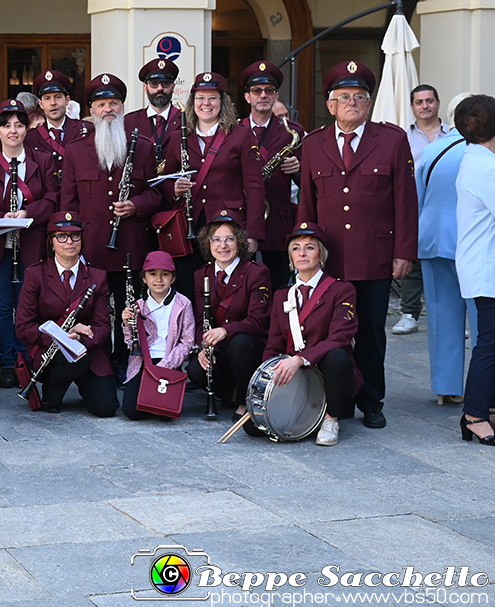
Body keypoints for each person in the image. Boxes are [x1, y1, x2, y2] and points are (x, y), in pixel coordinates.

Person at [297, 60, 417, 430]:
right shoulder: (313, 143)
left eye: (360, 97)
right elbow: (306, 203)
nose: (353, 103)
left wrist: (404, 252)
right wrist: (304, 255)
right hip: (328, 258)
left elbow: (406, 201)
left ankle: (371, 400)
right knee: (327, 332)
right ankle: (337, 398)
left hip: (374, 256)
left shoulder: (392, 139)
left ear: (369, 104)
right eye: (344, 97)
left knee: (369, 332)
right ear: (330, 105)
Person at [59, 73, 163, 379]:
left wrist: (136, 205)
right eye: (102, 104)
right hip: (92, 248)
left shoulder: (142, 147)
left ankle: (126, 360)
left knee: (129, 308)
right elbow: (69, 205)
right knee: (97, 311)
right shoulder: (76, 150)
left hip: (131, 245)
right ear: (91, 110)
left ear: (122, 107)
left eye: (114, 103)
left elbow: (157, 193)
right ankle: (99, 362)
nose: (109, 110)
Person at [0, 99, 59, 388]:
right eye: (7, 126)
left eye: (19, 125)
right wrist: (1, 216)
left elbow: (51, 199)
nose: (13, 131)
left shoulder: (42, 161)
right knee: (0, 306)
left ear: (27, 129)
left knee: (27, 306)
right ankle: (8, 363)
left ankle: (27, 359)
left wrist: (26, 213)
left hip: (30, 245)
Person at [262, 222, 362, 446]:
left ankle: (331, 418)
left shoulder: (341, 290)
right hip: (297, 378)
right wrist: (268, 377)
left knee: (337, 355)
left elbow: (340, 337)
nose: (302, 253)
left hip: (332, 375)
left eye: (309, 247)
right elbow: (274, 344)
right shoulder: (282, 296)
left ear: (321, 255)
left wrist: (299, 359)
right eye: (296, 248)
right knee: (255, 429)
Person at [171, 72, 266, 296]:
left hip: (228, 226)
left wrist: (252, 234)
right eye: (200, 98)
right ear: (192, 102)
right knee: (188, 285)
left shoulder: (241, 135)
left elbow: (255, 187)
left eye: (212, 98)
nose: (206, 103)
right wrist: (174, 188)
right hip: (188, 227)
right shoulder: (179, 137)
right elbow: (165, 180)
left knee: (227, 289)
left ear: (222, 103)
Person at [15, 212, 118, 416]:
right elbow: (23, 326)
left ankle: (71, 383)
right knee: (70, 360)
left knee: (106, 408)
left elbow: (103, 326)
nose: (69, 241)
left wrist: (80, 337)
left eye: (75, 235)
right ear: (51, 242)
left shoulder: (97, 275)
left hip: (87, 350)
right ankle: (53, 393)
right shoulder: (35, 274)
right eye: (61, 236)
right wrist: (63, 334)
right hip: (49, 351)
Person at [184, 211, 271, 422]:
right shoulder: (201, 275)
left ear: (239, 242)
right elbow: (199, 320)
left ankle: (245, 399)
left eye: (229, 239)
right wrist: (203, 347)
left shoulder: (256, 272)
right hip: (220, 347)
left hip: (248, 345)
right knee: (196, 369)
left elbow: (258, 321)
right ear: (208, 243)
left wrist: (225, 330)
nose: (222, 245)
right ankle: (229, 393)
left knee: (239, 344)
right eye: (216, 239)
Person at [416, 101, 472, 406]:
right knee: (484, 322)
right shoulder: (483, 152)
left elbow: (419, 198)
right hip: (472, 245)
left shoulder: (433, 150)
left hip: (433, 239)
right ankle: (484, 388)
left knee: (441, 314)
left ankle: (446, 387)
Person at [452, 94, 495, 446]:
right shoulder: (487, 167)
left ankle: (490, 408)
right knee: (490, 345)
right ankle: (475, 416)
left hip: (483, 265)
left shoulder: (477, 159)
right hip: (488, 268)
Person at [238, 61, 303, 293]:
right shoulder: (233, 131)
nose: (263, 95)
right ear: (247, 97)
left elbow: (308, 184)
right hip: (242, 219)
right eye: (257, 91)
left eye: (269, 91)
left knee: (278, 287)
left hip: (278, 220)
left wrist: (298, 169)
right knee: (243, 285)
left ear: (276, 96)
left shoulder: (293, 132)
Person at [394, 84, 450, 336]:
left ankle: (452, 316)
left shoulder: (454, 136)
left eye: (429, 100)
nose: (425, 106)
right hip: (413, 205)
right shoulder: (402, 138)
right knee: (411, 260)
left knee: (449, 260)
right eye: (419, 102)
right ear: (412, 106)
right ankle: (409, 313)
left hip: (445, 206)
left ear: (438, 103)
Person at [120, 250, 195, 420]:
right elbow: (131, 344)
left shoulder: (184, 303)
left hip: (169, 360)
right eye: (153, 274)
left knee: (165, 414)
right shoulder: (137, 306)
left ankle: (153, 401)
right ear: (145, 279)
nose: (159, 279)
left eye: (165, 274)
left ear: (173, 278)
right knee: (131, 412)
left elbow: (188, 341)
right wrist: (126, 324)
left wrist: (167, 364)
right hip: (142, 362)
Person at [124, 58, 182, 180]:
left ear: (173, 87)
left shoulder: (187, 120)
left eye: (165, 84)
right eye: (154, 84)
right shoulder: (129, 121)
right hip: (141, 192)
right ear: (145, 87)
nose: (159, 88)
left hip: (176, 191)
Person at [26, 70, 86, 184]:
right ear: (41, 104)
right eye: (47, 98)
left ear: (67, 100)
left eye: (58, 97)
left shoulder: (86, 130)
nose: (53, 103)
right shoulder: (30, 138)